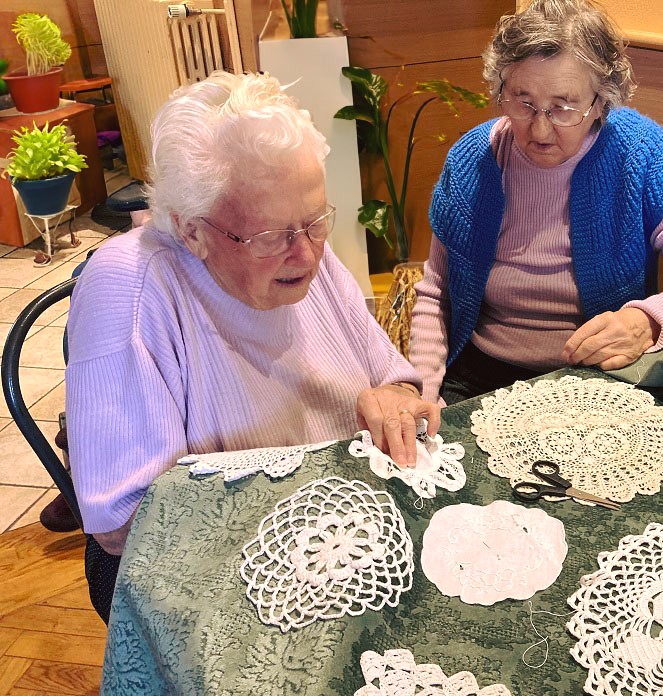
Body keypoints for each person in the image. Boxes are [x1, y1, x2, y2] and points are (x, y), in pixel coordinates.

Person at [66, 72, 440, 622]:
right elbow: (124, 523)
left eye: (316, 222)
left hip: (343, 530)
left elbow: (390, 375)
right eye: (269, 237)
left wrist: (395, 397)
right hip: (214, 569)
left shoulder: (298, 249)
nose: (306, 255)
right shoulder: (129, 286)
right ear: (191, 231)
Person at [409, 0, 663, 405]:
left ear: (601, 101)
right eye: (523, 102)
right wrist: (422, 390)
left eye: (563, 108)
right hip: (481, 375)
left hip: (600, 373)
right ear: (500, 89)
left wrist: (647, 320)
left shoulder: (641, 152)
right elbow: (436, 291)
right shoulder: (472, 160)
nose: (540, 129)